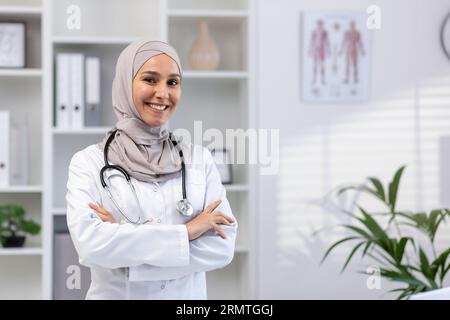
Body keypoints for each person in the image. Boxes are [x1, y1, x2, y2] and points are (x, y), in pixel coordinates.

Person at [65, 40, 238, 300]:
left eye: (173, 82)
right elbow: (90, 245)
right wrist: (188, 232)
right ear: (125, 83)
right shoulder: (88, 163)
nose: (163, 93)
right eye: (150, 79)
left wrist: (124, 245)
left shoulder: (198, 159)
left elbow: (222, 247)